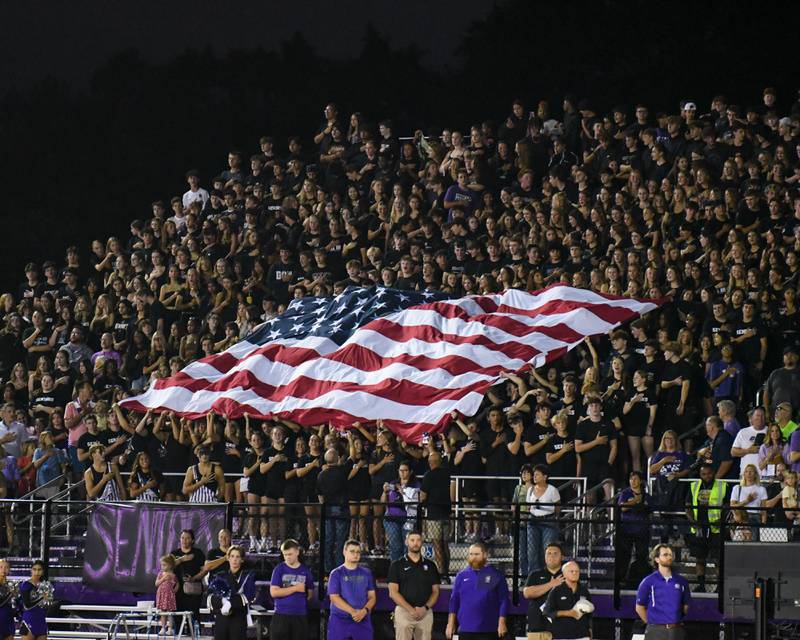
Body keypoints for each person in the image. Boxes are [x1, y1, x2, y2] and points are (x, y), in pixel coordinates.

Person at [446, 542, 510, 640]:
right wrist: (450, 623)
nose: (473, 557)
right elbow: (454, 600)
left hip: (488, 629)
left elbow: (504, 600)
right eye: (471, 554)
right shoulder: (462, 575)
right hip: (465, 629)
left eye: (476, 554)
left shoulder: (494, 574)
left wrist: (502, 622)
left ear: (485, 555)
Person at [387, 530, 441, 640]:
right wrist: (411, 610)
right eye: (412, 540)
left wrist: (425, 608)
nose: (415, 543)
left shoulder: (431, 565)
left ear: (422, 542)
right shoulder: (397, 565)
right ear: (407, 542)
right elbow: (393, 592)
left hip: (425, 613)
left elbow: (436, 591)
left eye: (418, 540)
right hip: (404, 611)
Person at [685, 463, 727, 591]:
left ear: (713, 473)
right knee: (700, 558)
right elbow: (687, 505)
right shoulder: (694, 486)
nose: (706, 476)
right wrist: (693, 521)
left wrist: (721, 520)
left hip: (716, 528)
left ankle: (719, 587)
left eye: (709, 473)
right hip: (699, 528)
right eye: (703, 474)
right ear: (700, 474)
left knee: (717, 559)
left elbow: (727, 507)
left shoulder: (723, 486)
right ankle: (701, 585)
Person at [635, 544, 691, 640]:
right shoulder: (648, 582)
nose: (669, 557)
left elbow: (686, 607)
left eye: (670, 554)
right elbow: (639, 607)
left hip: (676, 630)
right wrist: (653, 624)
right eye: (665, 555)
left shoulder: (681, 581)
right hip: (655, 630)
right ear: (656, 559)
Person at [327, 539, 376, 640]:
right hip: (340, 618)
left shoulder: (367, 573)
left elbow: (372, 597)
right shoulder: (336, 573)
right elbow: (334, 598)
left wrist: (364, 611)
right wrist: (353, 612)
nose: (356, 554)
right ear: (344, 552)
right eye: (352, 551)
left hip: (362, 618)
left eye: (358, 552)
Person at [269, 538, 315, 640]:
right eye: (285, 555)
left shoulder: (305, 571)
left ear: (297, 552)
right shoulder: (279, 569)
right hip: (281, 614)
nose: (287, 557)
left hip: (300, 615)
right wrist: (295, 588)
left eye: (290, 554)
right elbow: (274, 592)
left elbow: (310, 594)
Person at [207, 546, 256, 640]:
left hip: (238, 619)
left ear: (242, 560)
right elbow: (209, 597)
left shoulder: (248, 576)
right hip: (222, 619)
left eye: (237, 557)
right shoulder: (220, 576)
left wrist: (230, 603)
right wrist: (222, 601)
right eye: (232, 556)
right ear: (228, 558)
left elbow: (249, 595)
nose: (234, 559)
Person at [419, 450, 452, 577]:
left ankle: (441, 572)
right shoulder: (446, 474)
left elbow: (423, 495)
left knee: (437, 544)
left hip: (434, 513)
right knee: (445, 544)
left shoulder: (429, 475)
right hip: (446, 513)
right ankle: (447, 571)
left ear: (431, 463)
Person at [523, 542, 565, 640]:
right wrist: (551, 584)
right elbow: (527, 593)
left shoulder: (567, 574)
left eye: (555, 553)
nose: (552, 556)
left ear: (562, 557)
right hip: (537, 628)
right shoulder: (535, 574)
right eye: (549, 553)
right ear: (545, 556)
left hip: (562, 629)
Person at [616, 471, 652, 588]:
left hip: (642, 531)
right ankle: (621, 580)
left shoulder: (647, 496)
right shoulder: (625, 493)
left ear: (640, 481)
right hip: (626, 530)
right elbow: (622, 508)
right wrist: (635, 501)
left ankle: (640, 581)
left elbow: (650, 510)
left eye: (635, 479)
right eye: (631, 479)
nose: (633, 481)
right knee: (624, 555)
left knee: (641, 556)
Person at [317, 448, 350, 573]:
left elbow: (320, 496)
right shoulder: (342, 471)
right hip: (341, 509)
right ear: (337, 458)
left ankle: (328, 569)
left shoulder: (321, 475)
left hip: (328, 509)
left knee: (328, 540)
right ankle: (339, 568)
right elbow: (351, 456)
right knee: (341, 540)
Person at [542, 560, 593, 640]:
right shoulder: (556, 591)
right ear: (564, 574)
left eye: (577, 571)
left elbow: (589, 614)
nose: (575, 573)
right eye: (571, 571)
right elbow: (547, 612)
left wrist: (590, 630)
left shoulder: (584, 591)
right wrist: (567, 613)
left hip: (582, 635)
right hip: (561, 635)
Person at [527, 464, 561, 575]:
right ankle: (534, 575)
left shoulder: (552, 490)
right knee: (532, 550)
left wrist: (553, 517)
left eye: (537, 474)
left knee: (547, 549)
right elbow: (528, 506)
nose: (534, 477)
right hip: (533, 521)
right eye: (534, 475)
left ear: (545, 476)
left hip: (548, 521)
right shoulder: (530, 489)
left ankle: (547, 574)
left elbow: (557, 506)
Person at [171, 529, 206, 624]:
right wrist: (182, 559)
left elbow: (204, 570)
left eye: (187, 538)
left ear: (192, 540)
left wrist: (194, 578)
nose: (184, 540)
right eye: (182, 538)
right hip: (178, 591)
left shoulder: (198, 553)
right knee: (177, 617)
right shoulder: (174, 553)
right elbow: (167, 567)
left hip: (194, 590)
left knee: (194, 616)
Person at [19, 559, 48, 640]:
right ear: (31, 570)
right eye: (34, 569)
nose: (37, 572)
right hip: (29, 621)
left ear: (43, 571)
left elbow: (47, 604)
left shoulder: (45, 585)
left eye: (39, 570)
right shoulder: (25, 584)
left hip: (41, 620)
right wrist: (42, 597)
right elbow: (27, 605)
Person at [155, 554, 179, 635]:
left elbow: (177, 583)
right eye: (161, 565)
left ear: (170, 565)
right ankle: (163, 628)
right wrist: (163, 579)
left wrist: (175, 589)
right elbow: (156, 583)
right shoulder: (161, 574)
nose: (162, 566)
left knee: (170, 612)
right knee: (162, 612)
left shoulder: (173, 575)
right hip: (162, 595)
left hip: (169, 596)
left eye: (164, 565)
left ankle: (170, 628)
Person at [0, 558, 15, 640]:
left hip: (8, 621)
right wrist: (10, 595)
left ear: (9, 569)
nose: (3, 570)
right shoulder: (11, 589)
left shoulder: (11, 585)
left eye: (6, 567)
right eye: (1, 567)